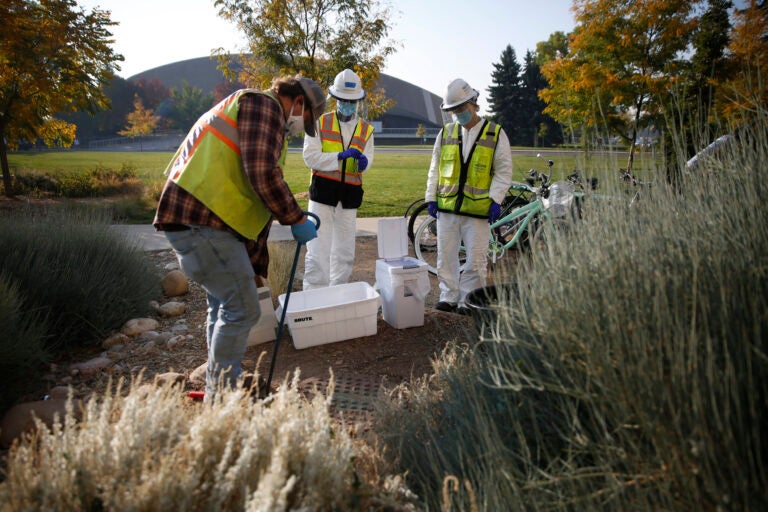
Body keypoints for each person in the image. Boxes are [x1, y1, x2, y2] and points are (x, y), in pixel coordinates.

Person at [153, 75, 326, 400]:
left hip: (195, 219)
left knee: (221, 305)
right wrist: (296, 218)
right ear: (298, 102)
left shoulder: (246, 105)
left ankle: (216, 384)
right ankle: (222, 396)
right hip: (201, 221)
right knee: (243, 308)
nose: (303, 127)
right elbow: (261, 172)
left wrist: (255, 259)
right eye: (306, 119)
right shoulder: (265, 107)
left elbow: (248, 187)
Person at [425, 78, 513, 315]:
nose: (457, 114)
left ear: (474, 103)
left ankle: (467, 300)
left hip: (478, 211)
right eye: (453, 110)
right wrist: (430, 197)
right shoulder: (446, 133)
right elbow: (435, 167)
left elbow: (504, 171)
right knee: (445, 256)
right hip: (448, 208)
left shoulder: (494, 133)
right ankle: (448, 296)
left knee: (475, 259)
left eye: (460, 109)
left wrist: (495, 200)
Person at [302, 69, 375, 290]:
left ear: (359, 101)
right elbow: (310, 156)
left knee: (344, 253)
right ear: (335, 99)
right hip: (323, 196)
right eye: (343, 100)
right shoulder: (319, 123)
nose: (348, 105)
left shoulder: (366, 129)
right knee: (317, 251)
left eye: (352, 102)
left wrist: (365, 163)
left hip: (349, 198)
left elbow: (369, 157)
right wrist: (339, 157)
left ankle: (337, 294)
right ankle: (314, 298)